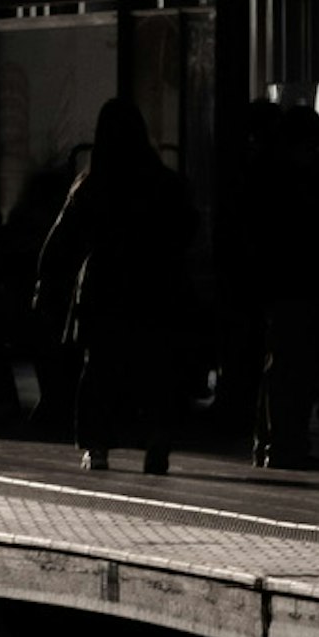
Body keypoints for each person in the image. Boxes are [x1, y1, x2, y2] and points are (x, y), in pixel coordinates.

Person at [35, 97, 193, 475]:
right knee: (155, 368)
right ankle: (155, 440)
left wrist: (46, 282)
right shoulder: (164, 183)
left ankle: (97, 445)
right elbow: (187, 229)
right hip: (155, 285)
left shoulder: (92, 184)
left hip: (104, 287)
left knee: (101, 370)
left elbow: (61, 242)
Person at [236, 98, 319, 471]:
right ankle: (285, 442)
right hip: (297, 281)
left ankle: (273, 442)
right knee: (293, 366)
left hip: (277, 281)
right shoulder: (299, 180)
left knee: (280, 364)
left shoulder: (263, 175)